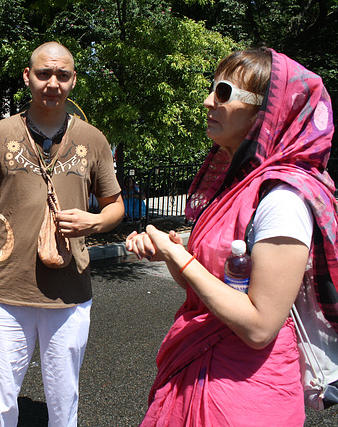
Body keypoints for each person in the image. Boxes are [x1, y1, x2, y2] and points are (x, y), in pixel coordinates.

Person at [126, 47, 338, 425]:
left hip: (242, 391)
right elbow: (210, 288)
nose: (208, 101)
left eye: (223, 93)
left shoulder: (283, 200)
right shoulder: (242, 186)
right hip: (209, 368)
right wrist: (172, 253)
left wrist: (180, 258)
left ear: (265, 112)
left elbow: (259, 326)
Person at [0, 41, 124, 426]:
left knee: (64, 401)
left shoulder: (93, 139)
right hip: (4, 289)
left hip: (70, 291)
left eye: (62, 75)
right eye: (44, 73)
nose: (53, 83)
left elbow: (114, 203)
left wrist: (94, 222)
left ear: (73, 81)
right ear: (27, 77)